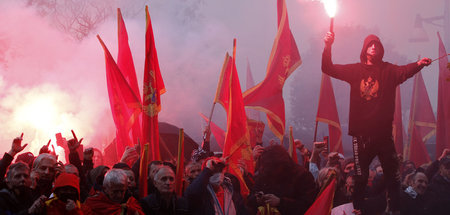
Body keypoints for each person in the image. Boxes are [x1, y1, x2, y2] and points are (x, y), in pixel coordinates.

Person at [322, 31, 432, 214]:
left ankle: (395, 210)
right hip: (361, 135)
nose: (374, 47)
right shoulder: (354, 70)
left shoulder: (388, 70)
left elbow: (404, 70)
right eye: (370, 44)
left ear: (381, 50)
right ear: (365, 49)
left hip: (383, 135)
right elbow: (328, 68)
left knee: (394, 176)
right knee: (360, 175)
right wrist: (328, 46)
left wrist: (419, 64)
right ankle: (357, 209)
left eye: (377, 45)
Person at [248, 145, 317, 214]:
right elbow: (250, 199)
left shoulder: (302, 176)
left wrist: (281, 202)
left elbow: (309, 206)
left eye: (274, 168)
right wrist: (256, 199)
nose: (272, 172)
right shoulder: (264, 174)